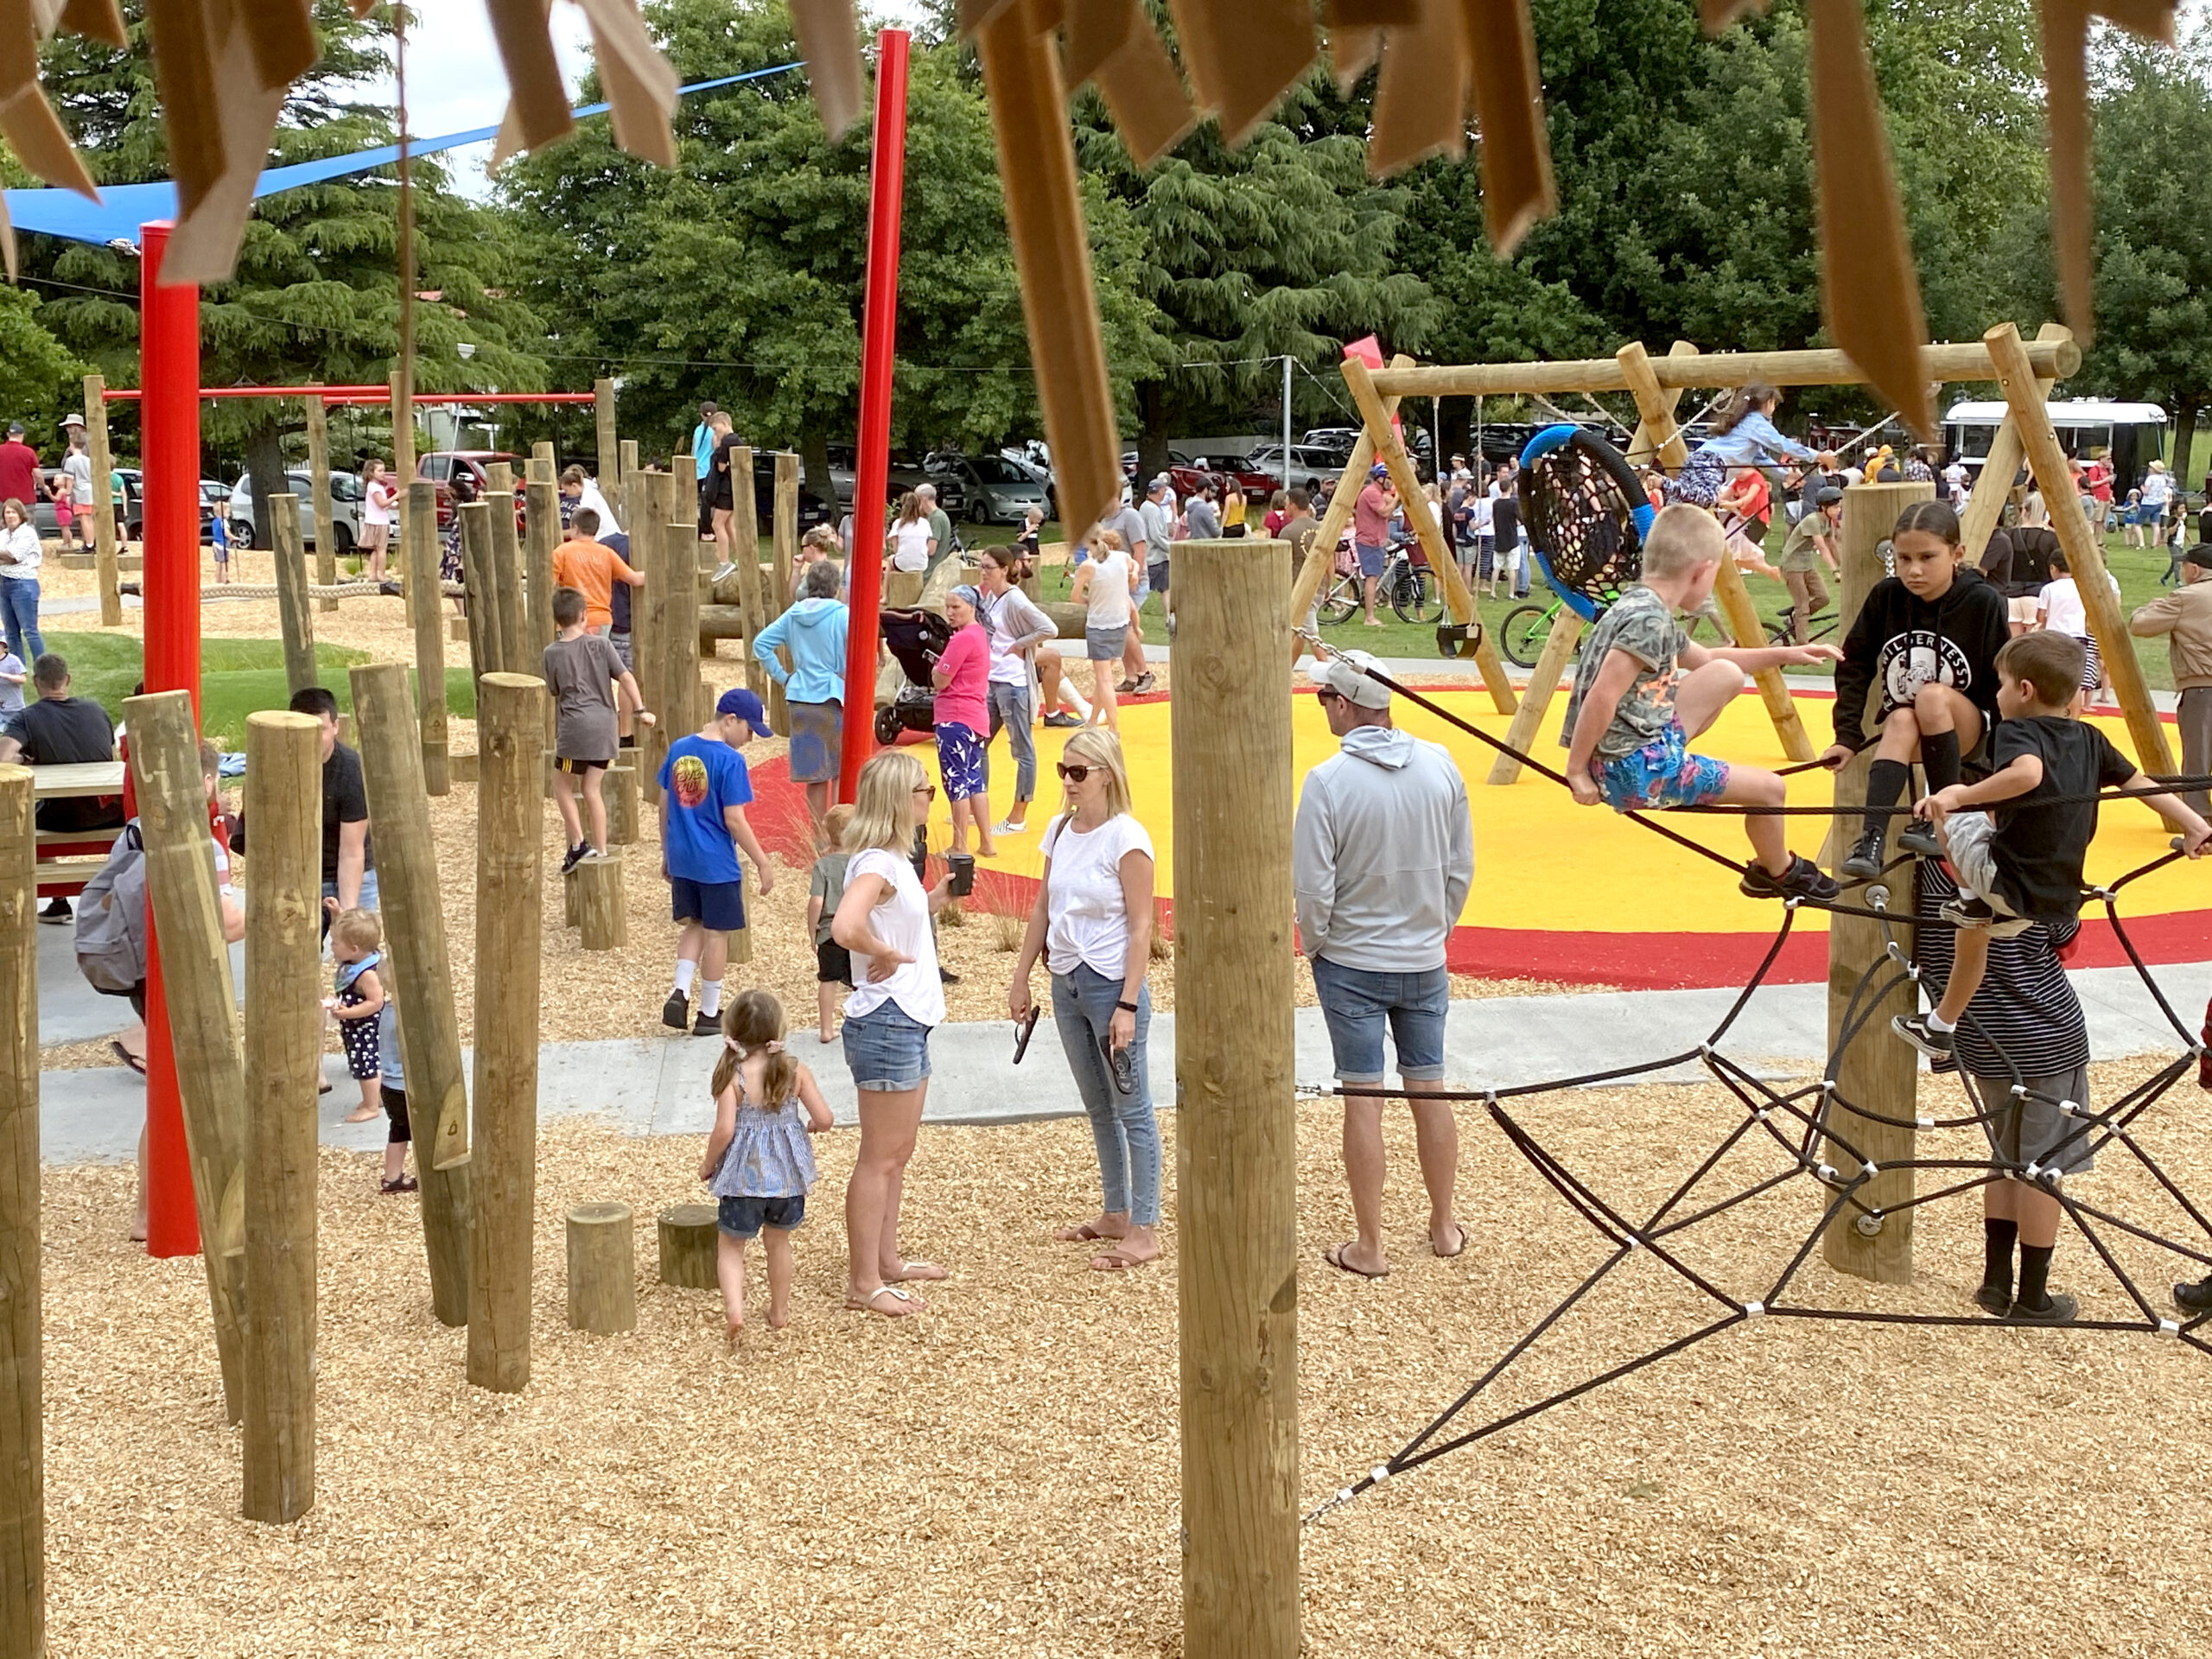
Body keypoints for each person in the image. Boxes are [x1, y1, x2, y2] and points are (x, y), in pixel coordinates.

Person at [1896, 631, 2209, 1064]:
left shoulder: (2017, 730)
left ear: (2024, 690)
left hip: (2003, 883)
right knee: (1974, 937)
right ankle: (1941, 1025)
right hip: (2053, 899)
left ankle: (1969, 898)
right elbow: (2139, 783)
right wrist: (2196, 825)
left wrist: (1957, 796)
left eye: (2002, 684)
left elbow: (2027, 774)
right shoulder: (2092, 738)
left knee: (1947, 801)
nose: (1998, 694)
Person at [1294, 650, 1473, 1277]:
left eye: (1325, 698)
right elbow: (1460, 866)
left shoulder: (1328, 781)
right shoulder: (1441, 764)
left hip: (1352, 957)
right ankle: (1443, 1224)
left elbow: (1313, 886)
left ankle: (1370, 1244)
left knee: (1363, 1097)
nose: (1322, 706)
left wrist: (1318, 943)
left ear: (1344, 704)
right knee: (1430, 1088)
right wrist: (1435, 928)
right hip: (1422, 954)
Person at [1563, 505, 1842, 899]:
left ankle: (1670, 759)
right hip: (1632, 770)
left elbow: (1710, 659)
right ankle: (1777, 871)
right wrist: (1576, 772)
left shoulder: (1639, 605)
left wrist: (1789, 653)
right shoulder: (1650, 622)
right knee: (1770, 790)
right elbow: (1601, 695)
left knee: (1724, 673)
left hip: (1630, 747)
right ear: (1700, 572)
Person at [1007, 728, 1160, 1271]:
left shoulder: (1128, 838)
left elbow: (1141, 927)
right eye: (1063, 771)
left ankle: (1145, 1225)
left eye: (1079, 772)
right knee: (1099, 1105)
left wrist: (1128, 1004)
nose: (1069, 782)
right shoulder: (1059, 830)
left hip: (1109, 983)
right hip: (1068, 981)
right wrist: (1021, 976)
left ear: (1106, 774)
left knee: (1133, 1108)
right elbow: (1042, 907)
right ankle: (1117, 1211)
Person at [1821, 499, 2011, 878]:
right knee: (1900, 718)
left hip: (1964, 730)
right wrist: (1847, 735)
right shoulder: (1887, 597)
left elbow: (1999, 681)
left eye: (1927, 557)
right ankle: (1872, 839)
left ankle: (1940, 814)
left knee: (1930, 696)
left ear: (1957, 554)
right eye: (1904, 558)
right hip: (1911, 734)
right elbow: (1854, 663)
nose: (1914, 570)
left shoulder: (1982, 601)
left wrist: (2005, 757)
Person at [830, 747, 953, 1318]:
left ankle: (885, 1260)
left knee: (897, 1152)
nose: (930, 796)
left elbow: (888, 918)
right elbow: (845, 925)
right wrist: (880, 951)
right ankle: (864, 1280)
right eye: (924, 789)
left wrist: (934, 902)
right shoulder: (877, 863)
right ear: (900, 800)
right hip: (888, 1019)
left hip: (908, 1018)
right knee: (880, 1156)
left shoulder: (895, 861)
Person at [699, 988, 834, 1341]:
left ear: (734, 1032)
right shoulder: (795, 1071)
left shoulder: (733, 1077)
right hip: (787, 1182)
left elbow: (724, 1130)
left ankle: (735, 1312)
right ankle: (779, 1311)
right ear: (778, 1029)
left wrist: (708, 1164)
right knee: (778, 1243)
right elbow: (825, 1118)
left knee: (731, 1246)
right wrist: (812, 1125)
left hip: (742, 1182)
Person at [658, 688, 775, 1036]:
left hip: (683, 855)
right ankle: (709, 1011)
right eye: (749, 730)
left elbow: (664, 804)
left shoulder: (679, 748)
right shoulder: (730, 761)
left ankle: (680, 991)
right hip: (716, 862)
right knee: (717, 933)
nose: (750, 739)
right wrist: (762, 861)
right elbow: (734, 819)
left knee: (695, 922)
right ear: (730, 720)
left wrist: (666, 851)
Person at [3, 654, 119, 922]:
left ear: (36, 682)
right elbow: (111, 755)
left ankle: (58, 901)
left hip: (62, 818)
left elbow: (4, 757)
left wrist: (25, 759)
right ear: (67, 679)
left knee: (25, 821)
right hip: (108, 812)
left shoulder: (26, 719)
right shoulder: (96, 711)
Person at [545, 587, 653, 868]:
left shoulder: (552, 653)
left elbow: (554, 690)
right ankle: (602, 850)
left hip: (575, 731)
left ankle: (578, 844)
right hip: (605, 729)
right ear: (584, 615)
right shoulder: (602, 645)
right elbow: (626, 677)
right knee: (592, 789)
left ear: (556, 620)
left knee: (562, 786)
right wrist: (640, 709)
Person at [753, 557, 849, 842]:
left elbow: (761, 644)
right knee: (839, 769)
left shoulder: (793, 614)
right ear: (835, 587)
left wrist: (783, 677)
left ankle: (818, 836)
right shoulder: (842, 615)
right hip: (832, 696)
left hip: (800, 697)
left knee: (815, 774)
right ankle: (840, 834)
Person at [974, 545, 1055, 838]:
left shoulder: (1014, 599)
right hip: (994, 680)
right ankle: (977, 805)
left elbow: (1049, 628)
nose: (983, 572)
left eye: (988, 567)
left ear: (1004, 570)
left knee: (1022, 750)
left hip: (1012, 684)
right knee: (978, 743)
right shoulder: (992, 597)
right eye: (982, 566)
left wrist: (1020, 644)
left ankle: (1018, 816)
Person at [2132, 548, 2212, 817]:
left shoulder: (2185, 598)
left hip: (2202, 688)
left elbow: (2141, 625)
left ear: (2194, 569)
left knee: (2198, 761)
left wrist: (2150, 606)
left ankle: (2199, 824)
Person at [287, 686, 376, 924]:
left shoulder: (350, 769)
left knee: (354, 940)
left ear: (335, 727)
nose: (312, 737)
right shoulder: (279, 764)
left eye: (321, 729)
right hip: (299, 874)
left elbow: (351, 852)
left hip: (349, 871)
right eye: (304, 729)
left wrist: (346, 915)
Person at [1670, 383, 1815, 508]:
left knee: (1683, 505)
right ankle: (1664, 483)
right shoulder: (1755, 421)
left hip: (1701, 458)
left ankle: (1667, 493)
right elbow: (1781, 444)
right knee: (1706, 498)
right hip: (1713, 462)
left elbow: (1760, 460)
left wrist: (1785, 475)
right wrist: (1817, 456)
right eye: (1774, 404)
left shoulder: (1741, 421)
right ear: (1769, 402)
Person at [932, 584, 996, 858]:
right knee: (974, 780)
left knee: (956, 782)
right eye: (948, 607)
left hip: (955, 716)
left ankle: (959, 845)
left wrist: (935, 670)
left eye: (955, 607)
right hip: (975, 716)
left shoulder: (961, 639)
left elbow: (940, 680)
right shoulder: (979, 634)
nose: (950, 612)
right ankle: (987, 842)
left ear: (971, 607)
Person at [326, 907, 392, 1129]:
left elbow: (376, 1002)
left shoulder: (367, 974)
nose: (331, 946)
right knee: (366, 1062)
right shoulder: (360, 957)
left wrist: (346, 1013)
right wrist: (337, 915)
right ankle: (376, 1097)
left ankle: (371, 1106)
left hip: (365, 1028)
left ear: (353, 948)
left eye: (335, 943)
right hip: (356, 1026)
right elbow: (350, 933)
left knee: (366, 1066)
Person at [1069, 526, 1137, 732]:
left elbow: (1075, 597)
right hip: (1120, 622)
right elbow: (1134, 565)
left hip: (1099, 625)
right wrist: (1134, 575)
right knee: (1104, 677)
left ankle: (1114, 728)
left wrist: (1090, 601)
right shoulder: (1122, 558)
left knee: (1104, 679)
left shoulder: (1087, 566)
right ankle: (1093, 720)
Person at [2034, 550, 2120, 706]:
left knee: (2054, 674)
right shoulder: (2083, 587)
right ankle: (2075, 712)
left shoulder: (2049, 588)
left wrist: (2047, 621)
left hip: (2055, 636)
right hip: (2079, 636)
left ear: (2053, 568)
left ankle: (2055, 706)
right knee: (2075, 680)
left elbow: (2040, 616)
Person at [1098, 488, 1154, 696]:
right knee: (1121, 628)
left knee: (1125, 626)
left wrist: (1134, 578)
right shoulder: (1106, 520)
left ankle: (1144, 673)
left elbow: (1140, 549)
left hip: (1132, 581)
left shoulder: (1130, 516)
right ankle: (1131, 676)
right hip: (1116, 583)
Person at [552, 507, 643, 637]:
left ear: (575, 528)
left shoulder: (562, 552)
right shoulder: (607, 553)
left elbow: (549, 584)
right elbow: (636, 579)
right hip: (602, 619)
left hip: (572, 618)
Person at [807, 804, 855, 1041]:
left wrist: (812, 930)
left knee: (828, 980)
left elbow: (817, 901)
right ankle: (860, 1025)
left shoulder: (823, 865)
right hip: (856, 930)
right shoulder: (860, 863)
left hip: (829, 931)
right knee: (861, 981)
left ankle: (826, 1029)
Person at [1777, 486, 1841, 644]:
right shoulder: (1813, 520)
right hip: (1792, 564)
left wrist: (1843, 566)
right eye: (1835, 507)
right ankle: (1802, 646)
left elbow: (1832, 544)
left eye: (1840, 507)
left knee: (1823, 597)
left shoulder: (1829, 522)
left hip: (1806, 563)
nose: (1839, 510)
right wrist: (1835, 571)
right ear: (1824, 507)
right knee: (1803, 605)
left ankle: (1795, 618)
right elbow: (1822, 548)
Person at [1351, 463, 1395, 626]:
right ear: (1380, 478)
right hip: (1370, 541)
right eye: (1389, 478)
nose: (1391, 482)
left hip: (1374, 540)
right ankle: (1369, 617)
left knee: (1373, 577)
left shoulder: (1377, 493)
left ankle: (1370, 614)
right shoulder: (1372, 493)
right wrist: (1397, 498)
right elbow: (1384, 512)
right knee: (1372, 578)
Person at [0, 499, 41, 667]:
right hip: (4, 584)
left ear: (21, 514)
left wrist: (5, 557)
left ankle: (43, 670)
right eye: (7, 512)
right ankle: (17, 669)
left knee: (30, 631)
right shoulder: (3, 534)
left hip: (23, 585)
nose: (10, 516)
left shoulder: (28, 533)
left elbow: (14, 557)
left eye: (13, 512)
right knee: (11, 633)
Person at [706, 412, 743, 569]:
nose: (715, 433)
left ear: (724, 423)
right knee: (729, 525)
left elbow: (721, 467)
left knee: (717, 524)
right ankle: (742, 558)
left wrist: (717, 450)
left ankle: (724, 561)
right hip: (733, 487)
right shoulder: (738, 440)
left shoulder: (727, 441)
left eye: (716, 429)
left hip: (725, 489)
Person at [558, 464, 621, 538]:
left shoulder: (588, 496)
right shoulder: (589, 491)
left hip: (604, 536)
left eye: (567, 490)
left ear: (574, 486)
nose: (567, 494)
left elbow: (585, 522)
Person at [360, 458, 393, 582]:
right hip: (380, 522)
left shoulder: (373, 486)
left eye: (383, 470)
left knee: (376, 549)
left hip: (372, 521)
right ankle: (381, 574)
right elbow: (382, 504)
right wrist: (397, 495)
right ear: (371, 472)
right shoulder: (375, 487)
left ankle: (373, 574)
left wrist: (394, 504)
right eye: (379, 471)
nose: (383, 473)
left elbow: (383, 504)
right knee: (382, 549)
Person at [885, 491, 933, 575]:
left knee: (890, 560)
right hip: (922, 565)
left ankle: (886, 584)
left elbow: (896, 550)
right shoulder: (925, 523)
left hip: (902, 565)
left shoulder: (898, 523)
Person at [916, 482, 954, 574]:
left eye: (917, 500)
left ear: (924, 499)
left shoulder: (937, 518)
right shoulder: (933, 516)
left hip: (930, 571)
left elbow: (931, 550)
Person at [0, 424, 37, 510]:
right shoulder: (29, 452)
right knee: (27, 518)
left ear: (8, 435)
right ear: (22, 435)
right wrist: (44, 487)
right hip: (25, 501)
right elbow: (37, 474)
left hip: (3, 501)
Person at [2140, 457, 2173, 541]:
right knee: (2156, 524)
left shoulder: (2150, 479)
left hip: (2148, 503)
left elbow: (2146, 492)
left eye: (2151, 468)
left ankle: (2141, 543)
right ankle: (2155, 542)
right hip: (2159, 503)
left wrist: (2142, 487)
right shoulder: (2163, 479)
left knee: (2138, 524)